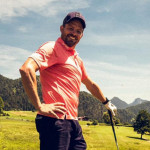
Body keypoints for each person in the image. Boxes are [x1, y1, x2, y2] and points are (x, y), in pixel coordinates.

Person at [19, 12, 117, 150]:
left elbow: (90, 84)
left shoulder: (77, 59)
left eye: (78, 31)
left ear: (82, 35)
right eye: (70, 28)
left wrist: (107, 103)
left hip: (72, 121)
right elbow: (26, 69)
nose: (74, 33)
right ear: (61, 28)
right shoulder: (52, 47)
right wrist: (40, 106)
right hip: (54, 121)